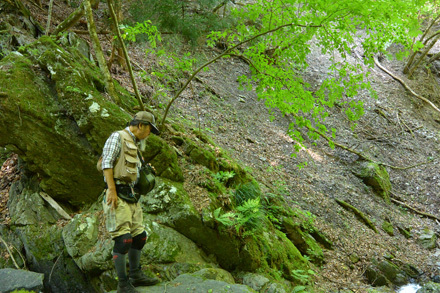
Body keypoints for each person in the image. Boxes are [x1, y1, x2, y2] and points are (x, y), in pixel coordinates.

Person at [101, 111, 160, 293]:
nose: (150, 134)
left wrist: (146, 169)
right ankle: (123, 285)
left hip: (133, 198)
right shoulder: (116, 137)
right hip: (117, 195)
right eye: (149, 129)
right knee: (123, 240)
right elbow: (107, 164)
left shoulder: (135, 143)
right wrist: (111, 190)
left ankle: (135, 274)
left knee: (139, 237)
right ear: (140, 125)